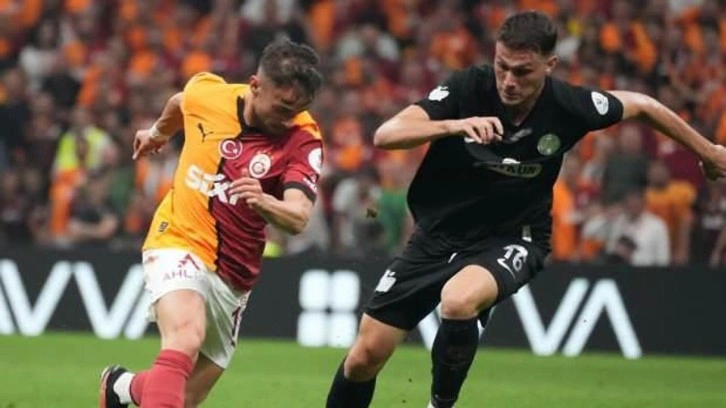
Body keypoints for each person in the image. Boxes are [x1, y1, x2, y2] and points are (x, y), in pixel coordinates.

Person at [325, 10, 726, 408]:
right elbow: (387, 134)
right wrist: (454, 125)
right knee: (363, 358)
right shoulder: (468, 88)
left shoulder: (569, 105)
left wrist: (707, 151)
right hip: (436, 237)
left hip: (512, 237)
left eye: (522, 72)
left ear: (549, 65)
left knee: (458, 301)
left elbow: (642, 105)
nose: (509, 81)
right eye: (502, 67)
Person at [99, 38, 324, 408]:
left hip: (235, 272)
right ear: (255, 85)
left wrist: (265, 201)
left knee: (186, 396)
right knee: (185, 337)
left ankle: (121, 387)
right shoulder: (209, 94)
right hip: (178, 238)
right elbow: (180, 102)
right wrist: (157, 134)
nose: (289, 119)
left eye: (299, 109)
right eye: (283, 107)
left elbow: (299, 216)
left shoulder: (304, 138)